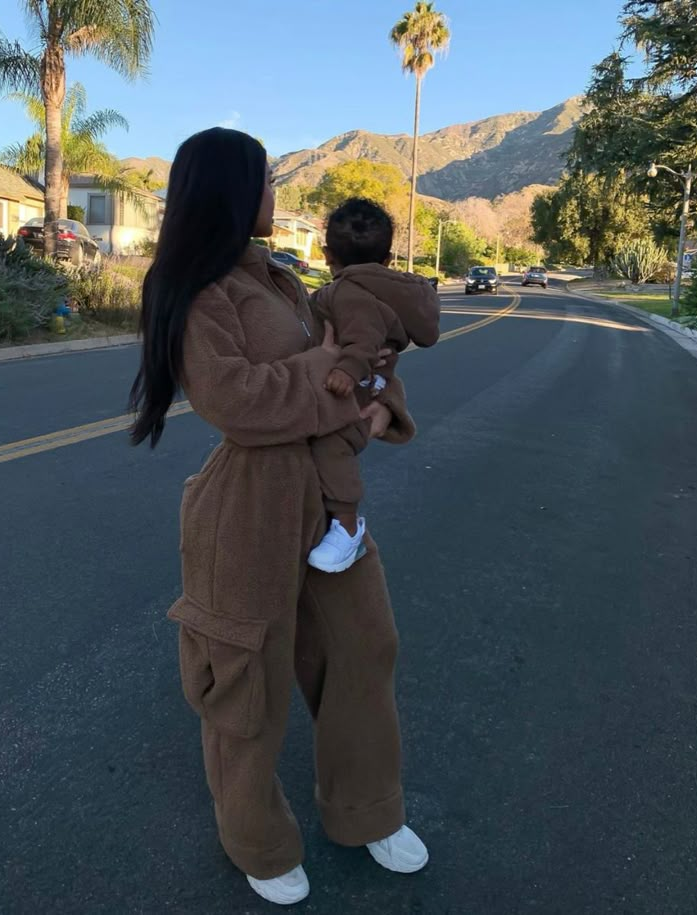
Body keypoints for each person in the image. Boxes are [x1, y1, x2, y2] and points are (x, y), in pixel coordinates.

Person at [129, 128, 429, 907]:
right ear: (231, 193)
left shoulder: (287, 282)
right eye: (266, 181)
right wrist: (326, 371)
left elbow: (362, 360)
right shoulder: (197, 291)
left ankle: (367, 811)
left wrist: (373, 406)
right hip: (248, 505)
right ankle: (255, 836)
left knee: (365, 646)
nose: (276, 195)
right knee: (247, 681)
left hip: (328, 498)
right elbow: (234, 398)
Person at [306, 198, 440, 574]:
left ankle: (347, 527)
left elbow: (363, 339)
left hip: (354, 387)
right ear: (387, 259)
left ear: (327, 253)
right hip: (369, 384)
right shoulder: (383, 288)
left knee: (332, 446)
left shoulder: (348, 291)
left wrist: (346, 370)